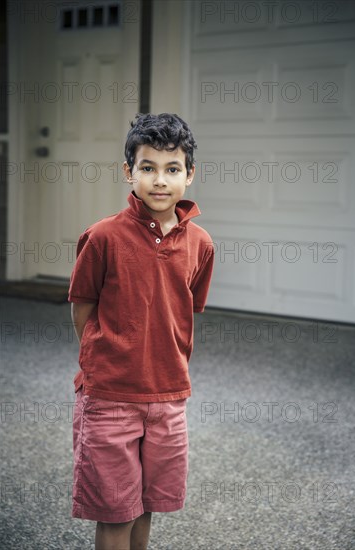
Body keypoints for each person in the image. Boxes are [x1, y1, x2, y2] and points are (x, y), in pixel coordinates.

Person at [68, 113, 215, 550]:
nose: (159, 180)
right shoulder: (102, 237)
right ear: (129, 171)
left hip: (169, 396)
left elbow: (187, 311)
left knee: (147, 504)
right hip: (111, 395)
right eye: (147, 168)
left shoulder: (201, 244)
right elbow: (83, 308)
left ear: (190, 174)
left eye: (172, 169)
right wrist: (108, 356)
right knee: (116, 512)